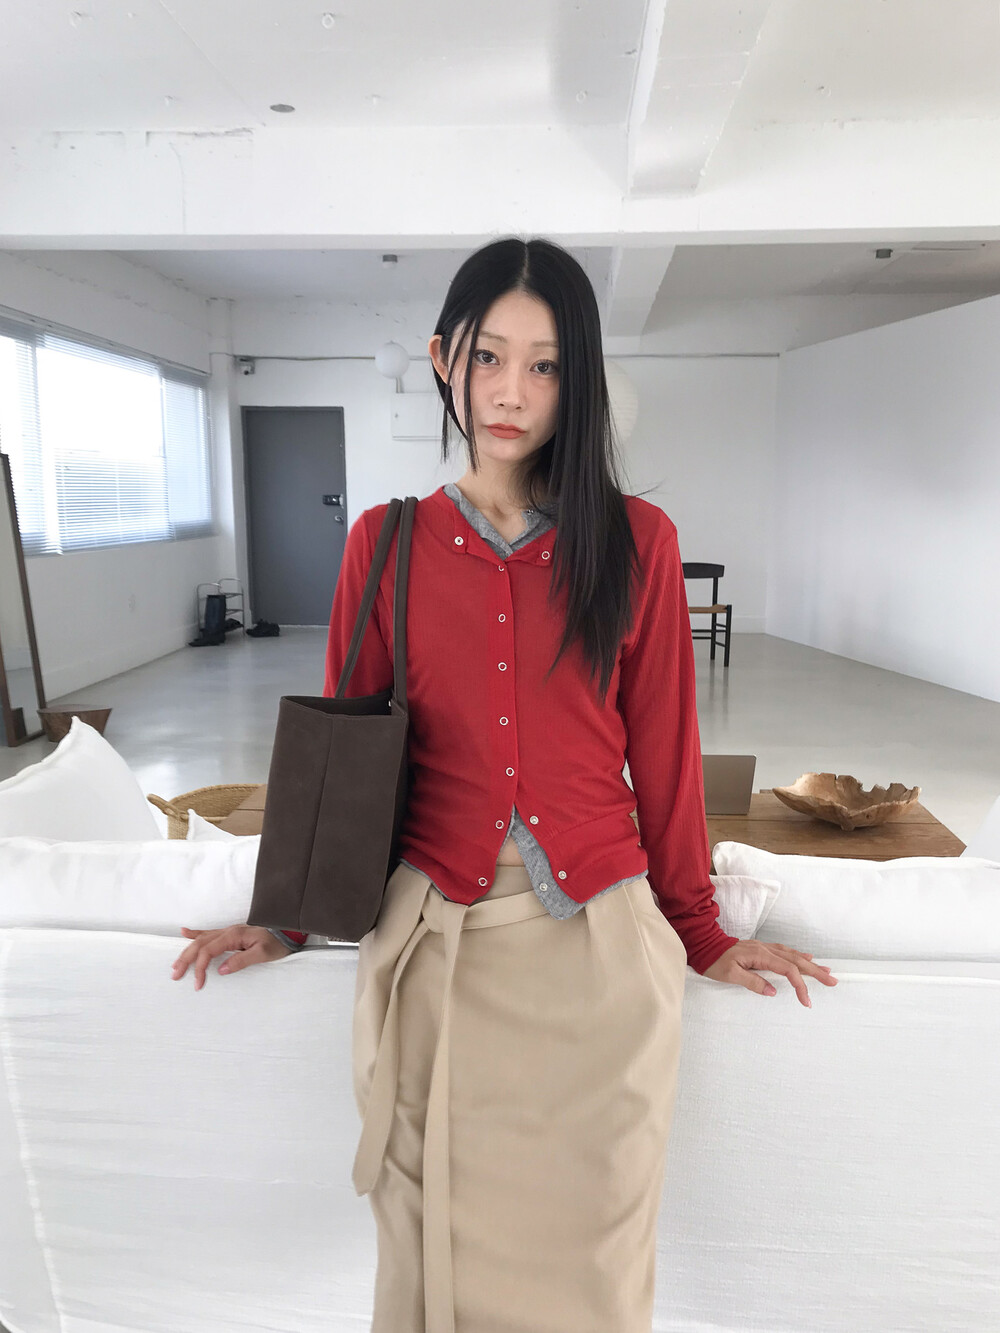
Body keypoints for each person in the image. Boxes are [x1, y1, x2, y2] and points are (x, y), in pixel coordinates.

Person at [171, 236, 838, 1331]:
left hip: (601, 954)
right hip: (438, 942)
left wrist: (701, 931)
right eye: (488, 357)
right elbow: (344, 753)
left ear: (578, 381)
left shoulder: (638, 543)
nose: (511, 392)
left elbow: (665, 757)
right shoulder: (384, 544)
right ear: (445, 358)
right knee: (435, 1246)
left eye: (544, 365)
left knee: (595, 1258)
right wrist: (286, 917)